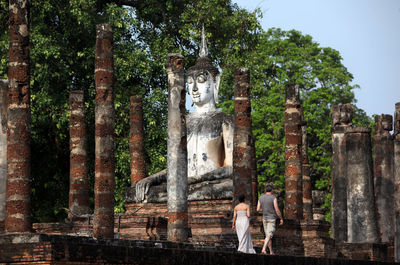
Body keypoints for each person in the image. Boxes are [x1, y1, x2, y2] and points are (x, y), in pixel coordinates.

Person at [257, 184, 283, 255]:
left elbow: (258, 209)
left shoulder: (261, 198)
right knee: (269, 235)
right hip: (271, 218)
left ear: (265, 190)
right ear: (271, 190)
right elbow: (277, 209)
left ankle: (271, 251)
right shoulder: (273, 198)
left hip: (264, 218)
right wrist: (281, 218)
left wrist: (264, 209)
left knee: (268, 236)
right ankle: (264, 249)